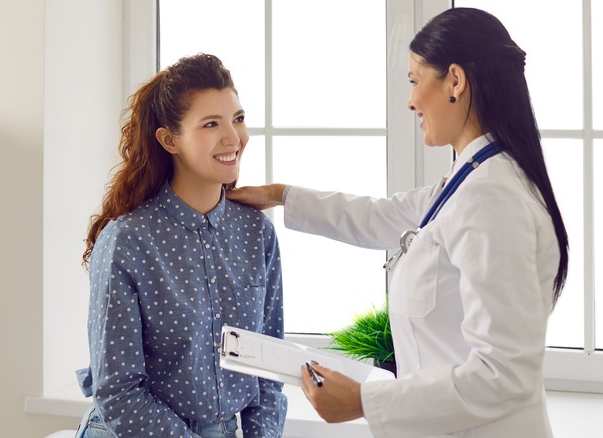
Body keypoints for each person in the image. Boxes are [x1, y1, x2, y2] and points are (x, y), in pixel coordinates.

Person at [226, 7, 568, 438]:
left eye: (414, 80)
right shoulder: (471, 178)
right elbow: (378, 215)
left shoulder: (491, 197)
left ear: (455, 82)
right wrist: (279, 195)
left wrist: (362, 401)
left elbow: (502, 374)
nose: (409, 101)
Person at [74, 53, 287, 438]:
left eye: (237, 119)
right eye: (211, 124)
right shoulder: (128, 240)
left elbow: (270, 369)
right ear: (169, 140)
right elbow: (118, 391)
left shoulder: (257, 233)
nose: (233, 137)